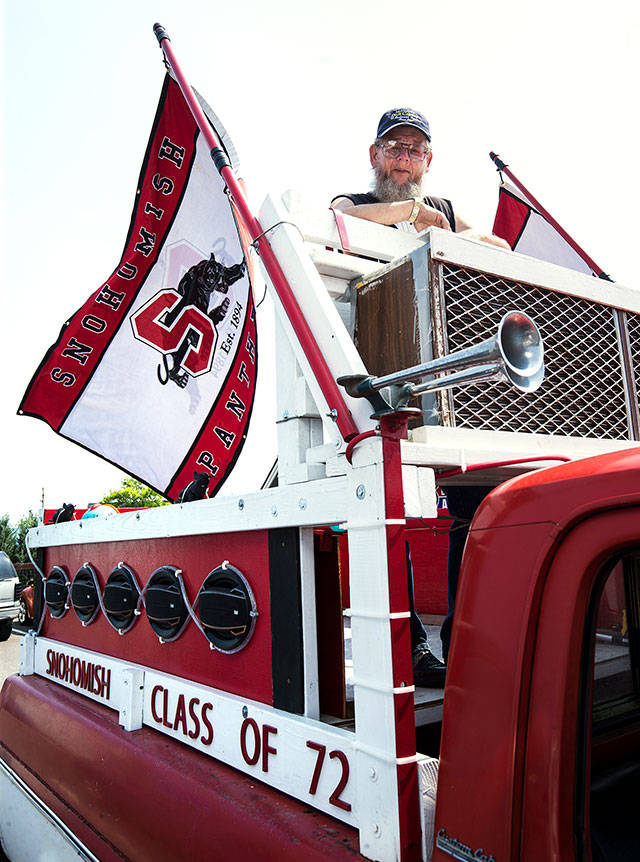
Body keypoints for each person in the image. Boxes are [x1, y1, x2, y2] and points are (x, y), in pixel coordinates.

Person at [332, 108, 507, 683]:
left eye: (414, 150)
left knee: (476, 504)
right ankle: (407, 652)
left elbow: (497, 244)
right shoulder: (352, 201)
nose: (403, 158)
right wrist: (411, 216)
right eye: (394, 147)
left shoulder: (447, 213)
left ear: (428, 161)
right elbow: (339, 219)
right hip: (375, 375)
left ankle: (466, 637)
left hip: (449, 380)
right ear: (374, 155)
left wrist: (449, 231)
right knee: (391, 505)